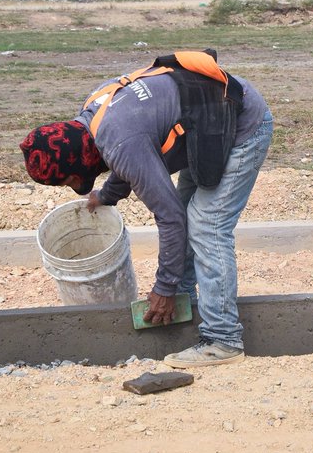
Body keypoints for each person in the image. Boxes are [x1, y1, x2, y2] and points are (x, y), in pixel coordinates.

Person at [20, 49, 272, 367]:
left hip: (241, 126)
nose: (74, 185)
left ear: (75, 166)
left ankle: (223, 339)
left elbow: (169, 216)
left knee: (207, 223)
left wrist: (162, 287)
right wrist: (107, 195)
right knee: (188, 211)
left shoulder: (120, 142)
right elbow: (132, 157)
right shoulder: (92, 113)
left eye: (69, 180)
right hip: (206, 122)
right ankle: (186, 304)